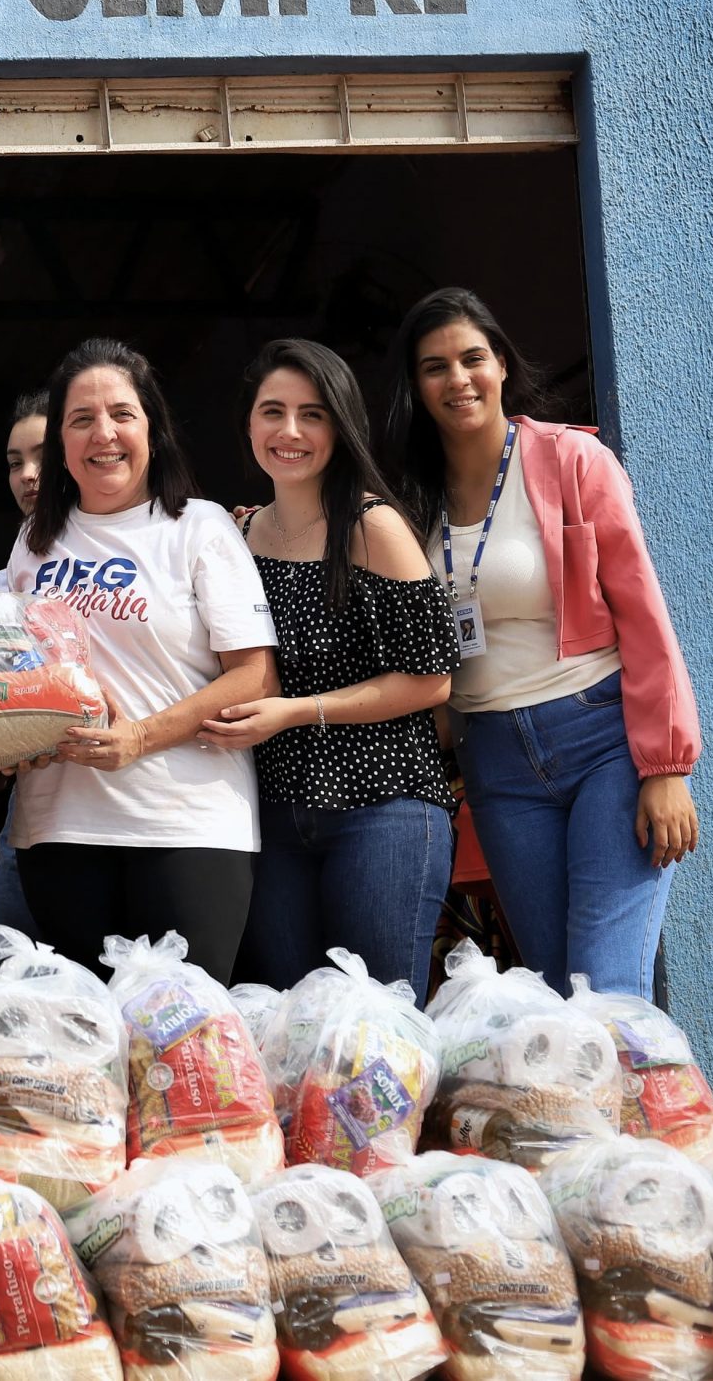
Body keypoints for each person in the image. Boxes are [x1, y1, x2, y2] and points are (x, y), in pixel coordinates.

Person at [383, 289, 701, 998]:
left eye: (472, 358)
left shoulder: (571, 461)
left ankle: (655, 1114)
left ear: (500, 363)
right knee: (556, 997)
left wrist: (667, 764)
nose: (457, 379)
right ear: (414, 385)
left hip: (603, 742)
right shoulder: (407, 498)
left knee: (608, 987)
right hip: (495, 762)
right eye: (435, 367)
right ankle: (628, 1114)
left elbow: (644, 614)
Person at [3, 339, 278, 985]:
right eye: (81, 420)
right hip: (60, 829)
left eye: (122, 414)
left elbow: (255, 675)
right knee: (92, 1051)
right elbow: (15, 672)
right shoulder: (34, 544)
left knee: (182, 1046)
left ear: (152, 426)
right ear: (61, 444)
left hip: (185, 824)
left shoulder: (199, 528)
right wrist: (25, 734)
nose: (105, 434)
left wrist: (140, 737)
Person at [205, 340, 460, 997]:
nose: (290, 432)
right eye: (273, 412)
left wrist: (298, 710)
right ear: (248, 424)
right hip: (273, 817)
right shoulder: (235, 538)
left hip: (383, 810)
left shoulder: (373, 527)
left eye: (312, 414)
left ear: (341, 426)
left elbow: (433, 679)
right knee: (293, 1031)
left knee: (379, 1031)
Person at [0, 391, 45, 940]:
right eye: (15, 462)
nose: (28, 474)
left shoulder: (157, 555)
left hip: (141, 822)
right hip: (29, 826)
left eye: (43, 456)